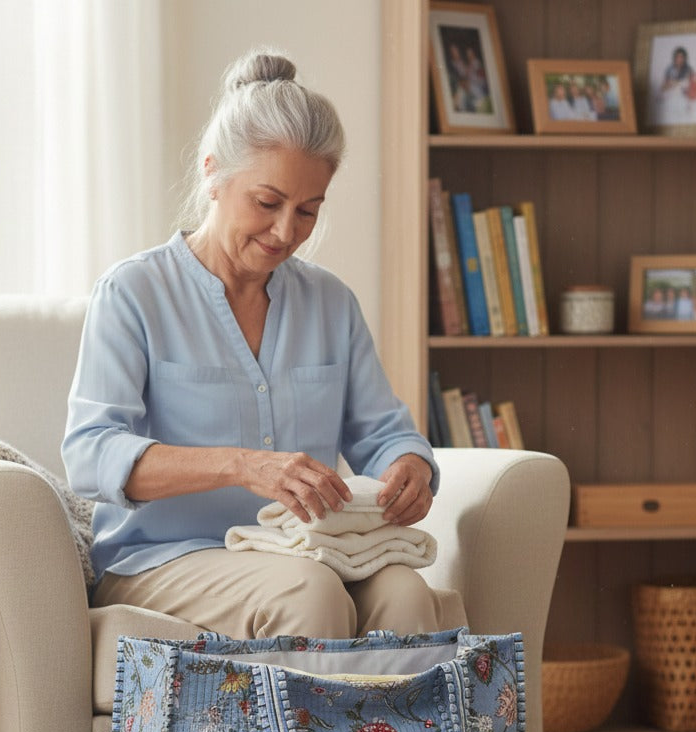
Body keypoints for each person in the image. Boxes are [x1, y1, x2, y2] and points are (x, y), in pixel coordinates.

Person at [62, 49, 449, 641]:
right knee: (309, 595)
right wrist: (242, 465)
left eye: (308, 211)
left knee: (405, 593)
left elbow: (384, 434)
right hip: (163, 559)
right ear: (214, 174)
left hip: (304, 549)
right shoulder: (134, 292)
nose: (286, 232)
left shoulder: (331, 303)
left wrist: (410, 467)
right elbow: (90, 454)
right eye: (267, 203)